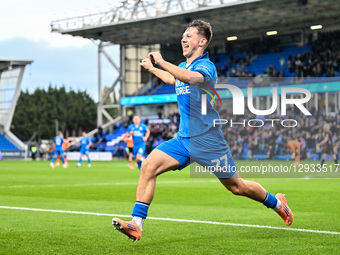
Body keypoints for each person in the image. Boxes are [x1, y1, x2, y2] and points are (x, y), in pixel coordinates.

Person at [112, 20, 293, 241]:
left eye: (189, 35)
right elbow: (174, 79)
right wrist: (153, 68)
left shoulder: (206, 67)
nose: (183, 39)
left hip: (208, 141)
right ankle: (136, 224)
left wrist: (162, 60)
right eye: (183, 35)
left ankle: (277, 203)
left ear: (202, 41)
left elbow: (191, 79)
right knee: (148, 165)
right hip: (183, 140)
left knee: (237, 186)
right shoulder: (184, 66)